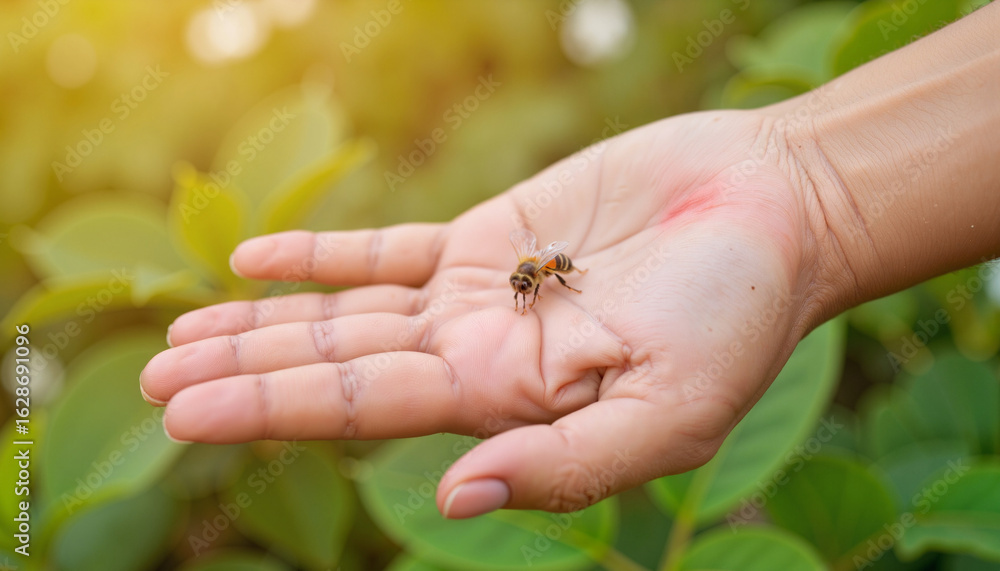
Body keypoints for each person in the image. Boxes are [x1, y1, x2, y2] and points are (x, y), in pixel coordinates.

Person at [140, 2, 999, 519]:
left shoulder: (547, 273)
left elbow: (549, 275)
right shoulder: (533, 277)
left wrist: (808, 190)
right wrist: (806, 183)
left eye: (533, 285)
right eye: (533, 285)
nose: (533, 290)